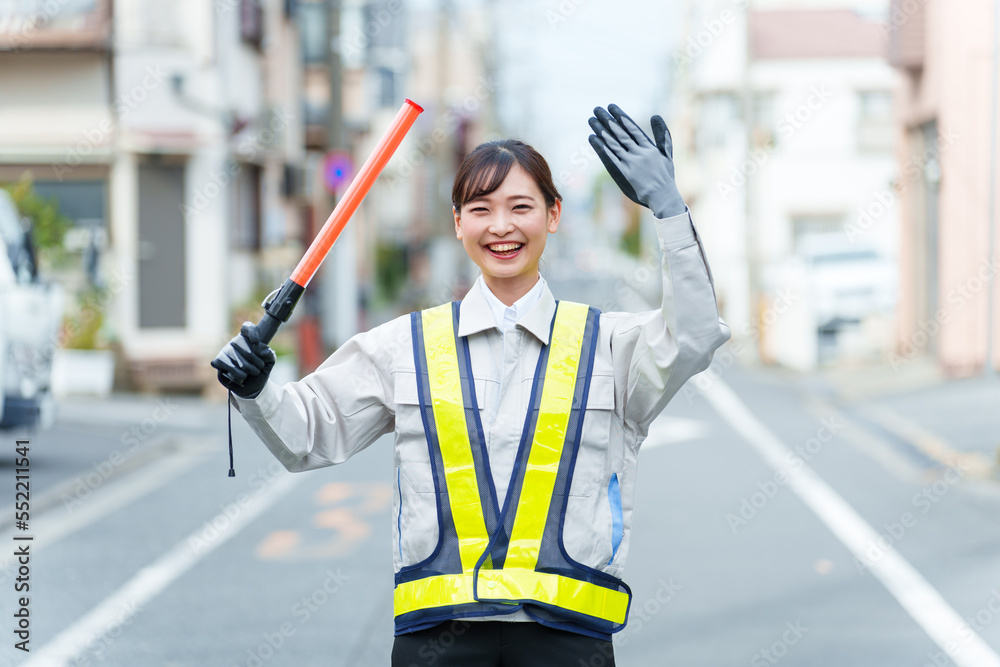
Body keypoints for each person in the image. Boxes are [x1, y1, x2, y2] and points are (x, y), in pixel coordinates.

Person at [212, 104, 731, 666]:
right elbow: (307, 435)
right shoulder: (404, 345)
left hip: (569, 641)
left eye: (521, 207)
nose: (501, 226)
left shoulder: (611, 345)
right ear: (458, 223)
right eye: (480, 209)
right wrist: (258, 386)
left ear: (553, 215)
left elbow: (695, 335)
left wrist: (671, 212)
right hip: (436, 642)